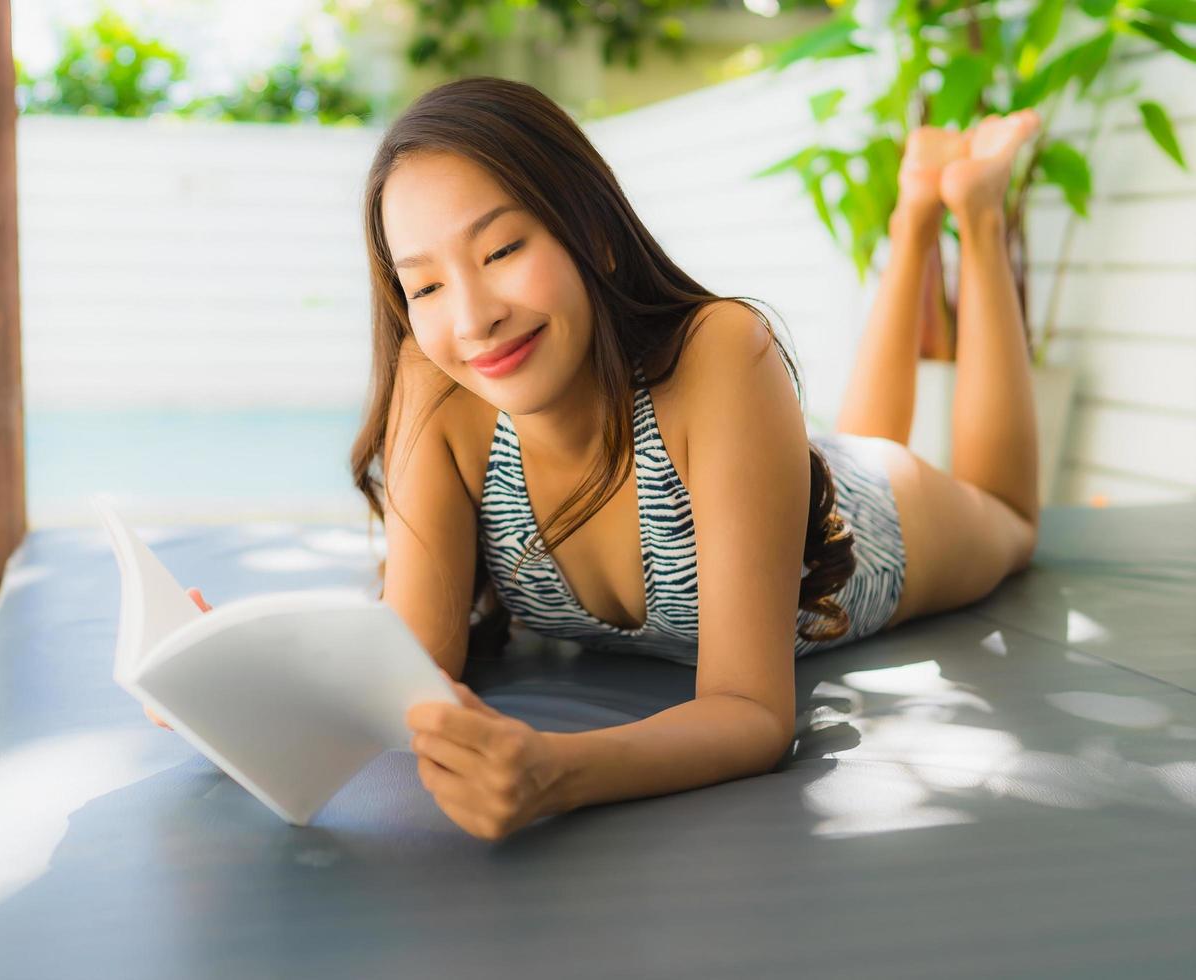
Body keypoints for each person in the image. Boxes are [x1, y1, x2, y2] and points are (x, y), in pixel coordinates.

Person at [344, 76, 1041, 843]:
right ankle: (913, 210)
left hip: (868, 525)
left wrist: (558, 770)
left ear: (596, 233)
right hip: (765, 468)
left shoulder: (721, 352)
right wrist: (238, 683)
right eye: (427, 284)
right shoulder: (435, 386)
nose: (474, 318)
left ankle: (970, 211)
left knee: (1007, 519)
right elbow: (413, 656)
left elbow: (752, 711)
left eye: (503, 248)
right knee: (839, 441)